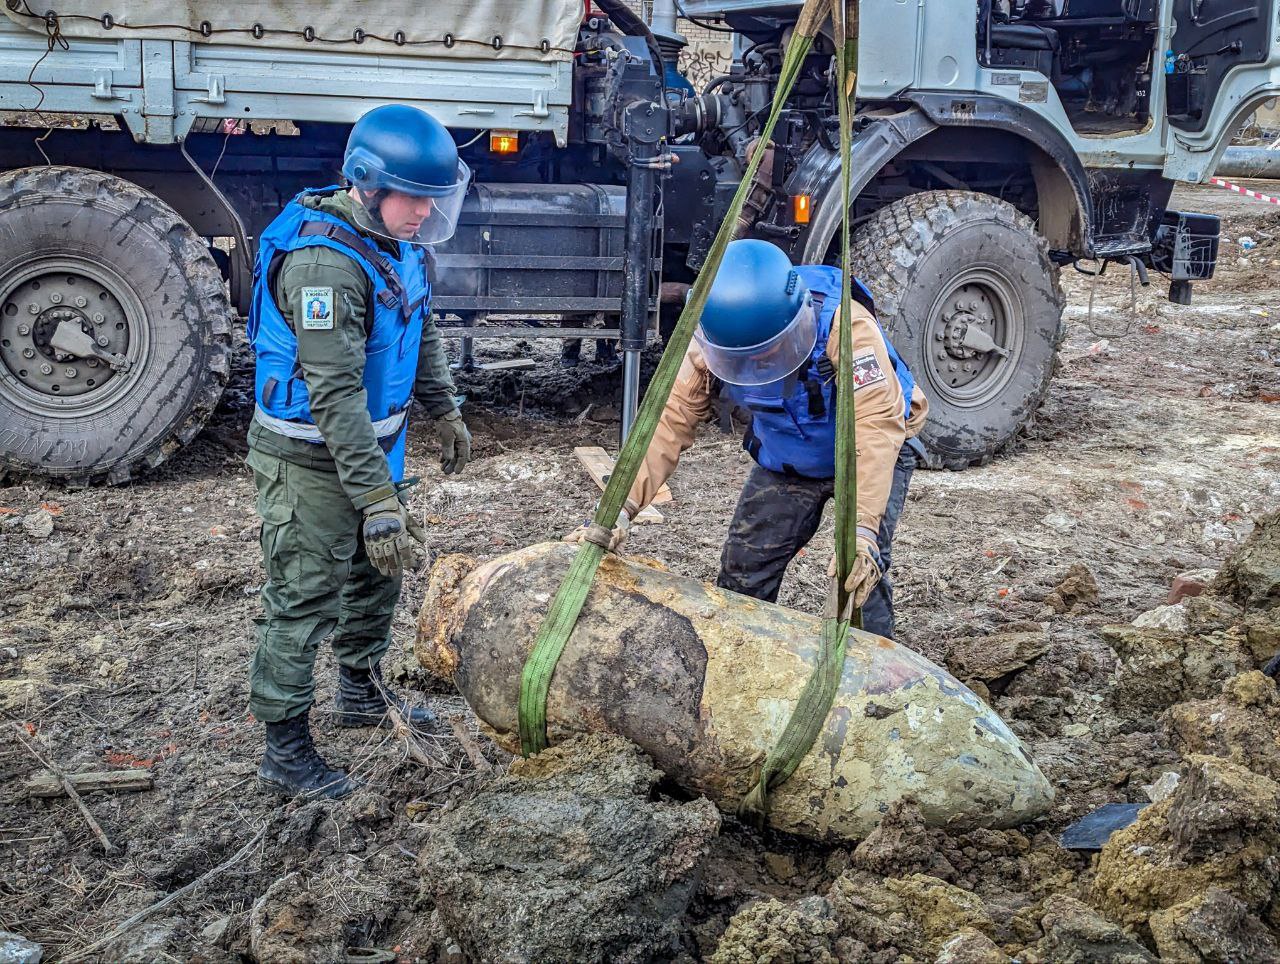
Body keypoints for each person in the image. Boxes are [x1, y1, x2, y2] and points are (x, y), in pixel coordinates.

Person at [245, 104, 473, 799]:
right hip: (308, 456)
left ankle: (361, 693)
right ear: (367, 184)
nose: (427, 215)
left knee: (381, 573)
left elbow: (419, 325)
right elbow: (334, 395)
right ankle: (284, 753)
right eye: (417, 199)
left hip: (375, 448)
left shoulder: (398, 241)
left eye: (437, 200)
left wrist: (444, 407)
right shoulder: (324, 266)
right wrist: (376, 500)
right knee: (305, 595)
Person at [570, 239, 928, 639]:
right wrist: (618, 508)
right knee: (744, 571)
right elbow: (668, 421)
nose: (759, 365)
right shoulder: (709, 337)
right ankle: (740, 654)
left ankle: (874, 663)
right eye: (746, 358)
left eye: (769, 353)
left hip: (869, 455)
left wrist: (862, 531)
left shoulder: (847, 326)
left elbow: (876, 424)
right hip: (786, 457)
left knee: (859, 575)